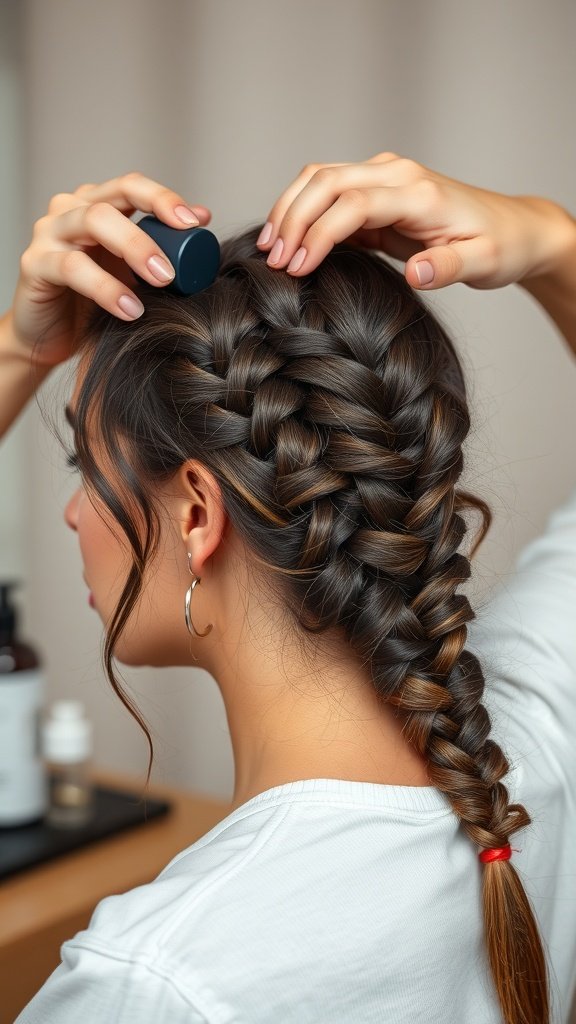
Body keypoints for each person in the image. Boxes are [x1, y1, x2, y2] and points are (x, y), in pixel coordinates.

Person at [1, 155, 575, 1024]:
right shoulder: (536, 764)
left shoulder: (160, 983)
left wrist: (19, 346)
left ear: (198, 513)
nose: (77, 514)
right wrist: (553, 242)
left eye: (88, 466)